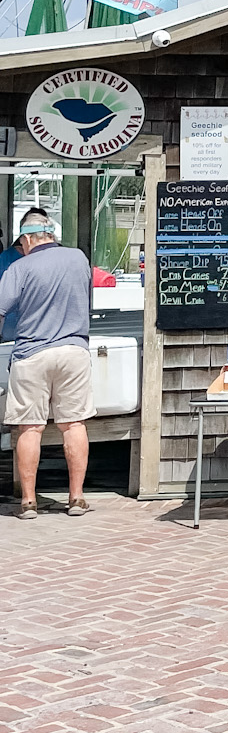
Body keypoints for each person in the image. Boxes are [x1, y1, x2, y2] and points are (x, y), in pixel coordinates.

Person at [1, 208, 94, 517]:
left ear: (28, 239)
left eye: (22, 243)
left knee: (31, 427)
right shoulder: (79, 258)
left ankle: (28, 502)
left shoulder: (20, 267)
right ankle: (76, 497)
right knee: (73, 423)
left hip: (31, 354)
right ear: (52, 235)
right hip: (74, 351)